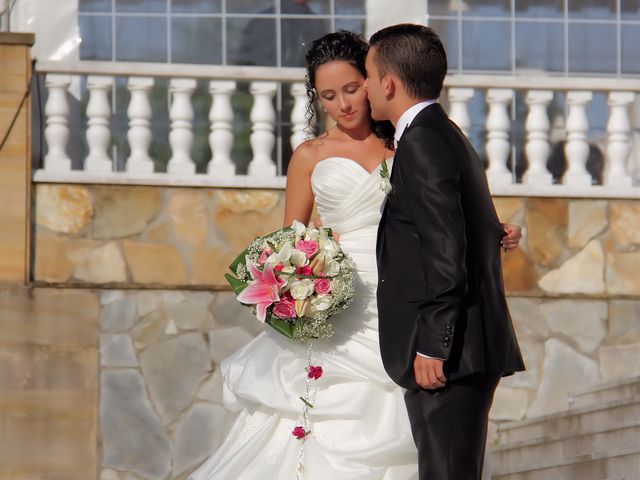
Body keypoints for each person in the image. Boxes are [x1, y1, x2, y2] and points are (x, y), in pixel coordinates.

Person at [189, 30, 522, 480]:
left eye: (351, 87)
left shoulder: (407, 142)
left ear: (373, 82)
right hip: (339, 298)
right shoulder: (310, 155)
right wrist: (302, 281)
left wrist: (493, 231)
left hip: (402, 306)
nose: (343, 104)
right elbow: (289, 242)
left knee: (423, 437)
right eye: (328, 96)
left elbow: (442, 219)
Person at [365, 24, 526, 480]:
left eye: (370, 76)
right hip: (465, 348)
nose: (369, 89)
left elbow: (444, 247)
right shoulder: (442, 132)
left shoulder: (422, 142)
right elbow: (455, 225)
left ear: (390, 83)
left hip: (451, 355)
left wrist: (435, 345)